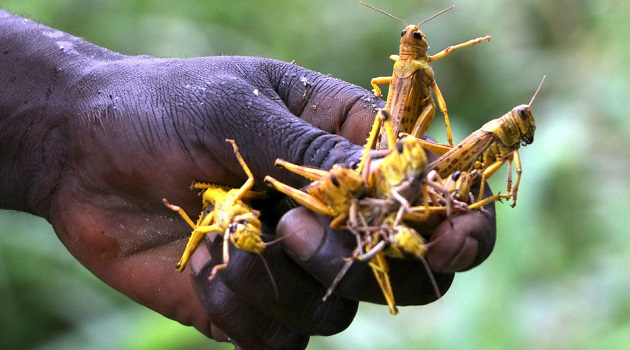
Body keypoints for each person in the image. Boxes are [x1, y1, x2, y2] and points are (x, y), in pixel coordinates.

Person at [0, 9, 496, 349]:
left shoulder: (422, 73)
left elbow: (428, 113)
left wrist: (62, 134)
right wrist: (64, 132)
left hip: (383, 165)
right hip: (296, 186)